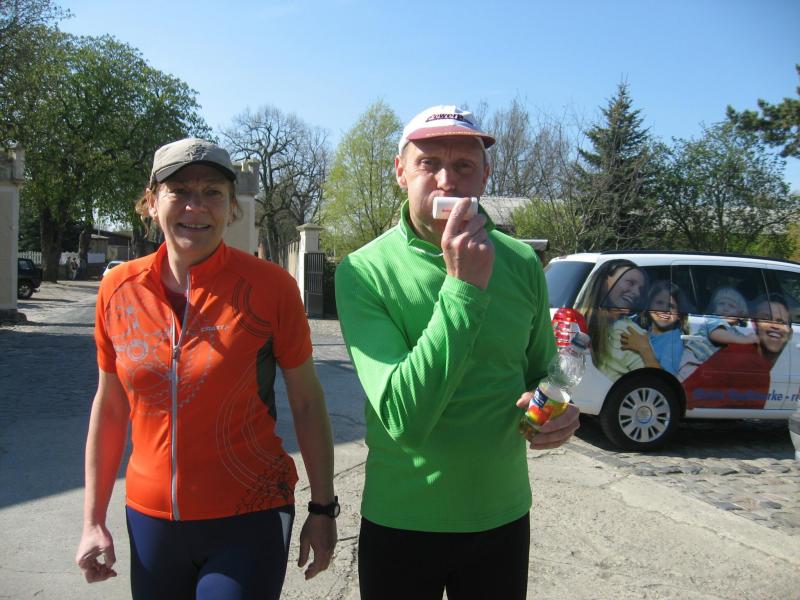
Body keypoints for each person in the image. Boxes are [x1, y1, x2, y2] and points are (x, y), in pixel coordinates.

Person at [334, 105, 580, 600]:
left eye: (464, 165)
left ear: (485, 176)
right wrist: (463, 287)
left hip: (501, 516)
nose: (447, 180)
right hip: (402, 518)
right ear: (401, 171)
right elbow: (404, 418)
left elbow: (542, 372)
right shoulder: (363, 271)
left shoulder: (520, 262)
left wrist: (557, 411)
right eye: (429, 163)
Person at [75, 138, 338, 599]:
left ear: (232, 207)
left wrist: (322, 508)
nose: (195, 207)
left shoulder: (270, 288)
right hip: (152, 520)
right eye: (179, 191)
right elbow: (111, 406)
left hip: (250, 513)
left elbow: (306, 401)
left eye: (212, 192)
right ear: (152, 202)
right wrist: (93, 520)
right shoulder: (118, 288)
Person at [682, 293, 793, 409]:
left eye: (781, 322)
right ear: (754, 324)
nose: (774, 326)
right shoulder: (745, 357)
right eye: (765, 318)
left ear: (790, 333)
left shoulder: (745, 349)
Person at [579, 259, 649, 381]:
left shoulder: (629, 331)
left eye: (641, 289)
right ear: (604, 281)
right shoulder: (628, 331)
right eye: (630, 282)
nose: (637, 293)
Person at [620, 280, 693, 377]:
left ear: (679, 314)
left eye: (671, 306)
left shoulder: (674, 341)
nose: (664, 310)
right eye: (659, 303)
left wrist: (644, 349)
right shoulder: (641, 328)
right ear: (649, 305)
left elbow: (666, 378)